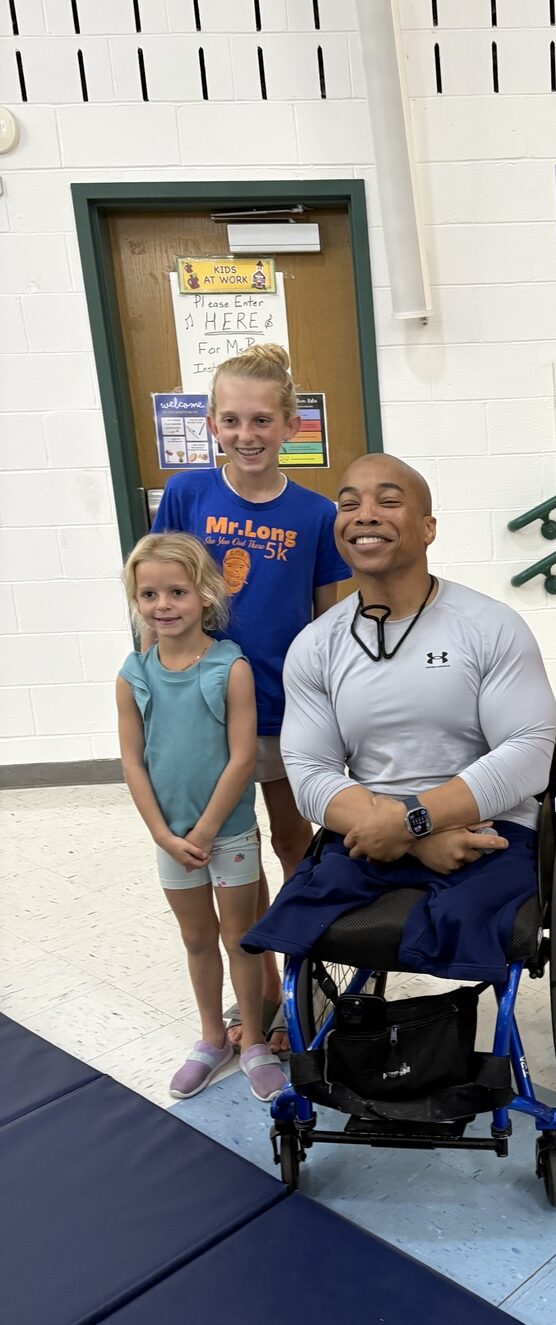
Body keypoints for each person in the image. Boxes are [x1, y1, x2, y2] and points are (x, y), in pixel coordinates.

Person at [239, 453, 556, 982]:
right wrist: (411, 834)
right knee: (301, 918)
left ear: (428, 528)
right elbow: (310, 773)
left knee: (464, 925)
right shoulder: (316, 645)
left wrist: (413, 821)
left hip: (489, 828)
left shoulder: (490, 626)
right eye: (349, 505)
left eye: (388, 501)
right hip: (367, 830)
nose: (364, 515)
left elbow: (527, 753)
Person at [151, 344, 351, 1051]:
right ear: (211, 423)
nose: (246, 434)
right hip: (207, 714)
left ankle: (304, 976)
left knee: (294, 841)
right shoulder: (187, 495)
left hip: (286, 709)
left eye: (262, 420)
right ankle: (261, 992)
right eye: (232, 420)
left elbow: (328, 621)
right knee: (237, 849)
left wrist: (331, 706)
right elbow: (157, 595)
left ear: (290, 424)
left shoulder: (316, 514)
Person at [116, 533, 287, 1103]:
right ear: (136, 600)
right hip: (170, 837)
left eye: (177, 592)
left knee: (240, 938)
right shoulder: (133, 675)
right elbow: (133, 762)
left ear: (205, 593)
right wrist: (162, 834)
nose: (163, 605)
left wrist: (209, 828)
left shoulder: (228, 667)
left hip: (228, 833)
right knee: (196, 939)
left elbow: (241, 759)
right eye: (149, 594)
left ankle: (254, 1039)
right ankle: (213, 1037)